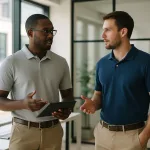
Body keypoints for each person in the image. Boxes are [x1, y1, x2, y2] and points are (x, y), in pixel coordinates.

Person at [0, 14, 73, 150]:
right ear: (30, 33)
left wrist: (66, 110)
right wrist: (22, 104)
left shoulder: (61, 62)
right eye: (46, 31)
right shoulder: (12, 62)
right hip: (23, 133)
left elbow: (68, 95)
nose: (50, 35)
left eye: (52, 31)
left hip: (53, 131)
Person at [80, 11, 150, 150]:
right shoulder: (101, 64)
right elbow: (98, 94)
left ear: (123, 31)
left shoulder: (146, 62)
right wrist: (93, 104)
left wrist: (143, 137)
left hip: (132, 137)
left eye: (107, 30)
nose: (102, 36)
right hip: (102, 135)